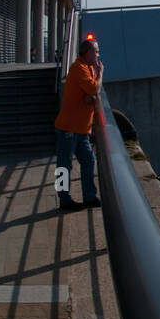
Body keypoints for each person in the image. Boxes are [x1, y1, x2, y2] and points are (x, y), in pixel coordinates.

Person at [54, 38, 103, 211]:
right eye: (96, 51)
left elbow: (92, 93)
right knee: (63, 166)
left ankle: (89, 196)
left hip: (81, 129)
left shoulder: (88, 68)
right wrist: (101, 73)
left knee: (89, 161)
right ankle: (63, 200)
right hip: (69, 128)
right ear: (88, 52)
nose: (98, 54)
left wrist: (92, 93)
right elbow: (94, 90)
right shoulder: (79, 68)